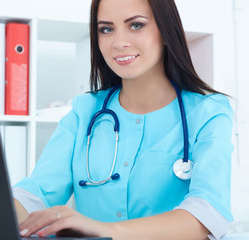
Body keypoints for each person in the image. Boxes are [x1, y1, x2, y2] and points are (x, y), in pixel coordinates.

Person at [13, 0, 234, 239]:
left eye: (136, 25)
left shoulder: (208, 112)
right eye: (106, 29)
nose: (119, 43)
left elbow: (207, 213)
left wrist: (106, 230)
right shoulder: (84, 111)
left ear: (166, 31)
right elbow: (35, 194)